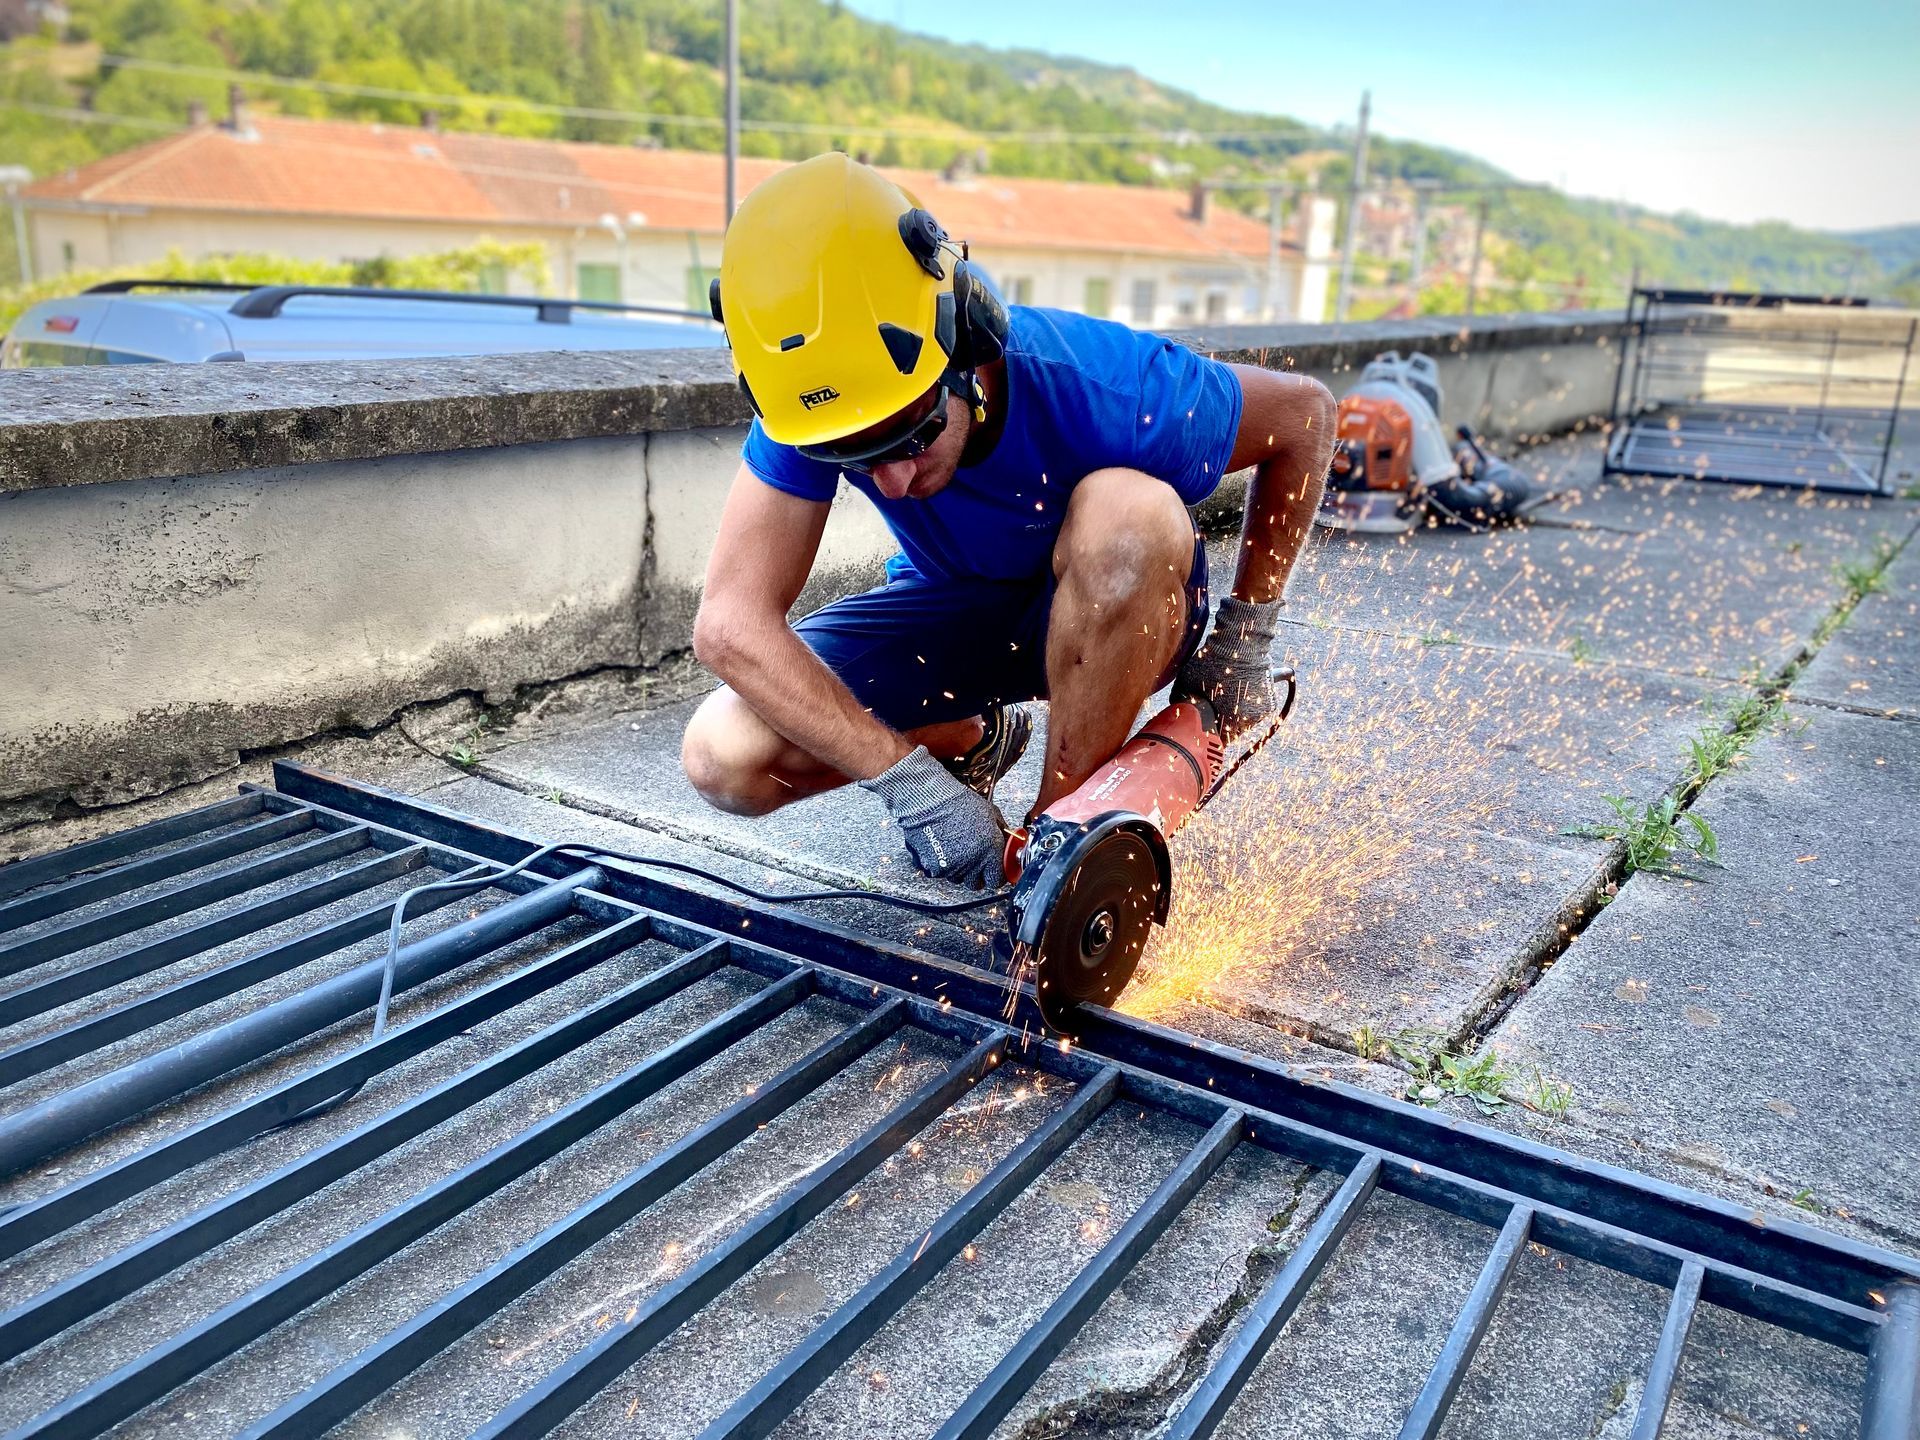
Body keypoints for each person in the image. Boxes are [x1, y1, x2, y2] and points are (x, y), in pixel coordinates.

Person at [681, 153, 1333, 888]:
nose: (892, 483)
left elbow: (1306, 415)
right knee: (723, 756)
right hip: (958, 614)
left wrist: (1246, 637)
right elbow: (729, 625)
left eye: (913, 434)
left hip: (1118, 610)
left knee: (1131, 513)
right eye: (855, 458)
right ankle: (977, 738)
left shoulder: (1108, 381)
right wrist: (906, 783)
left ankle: (1058, 847)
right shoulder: (821, 399)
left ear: (968, 340)